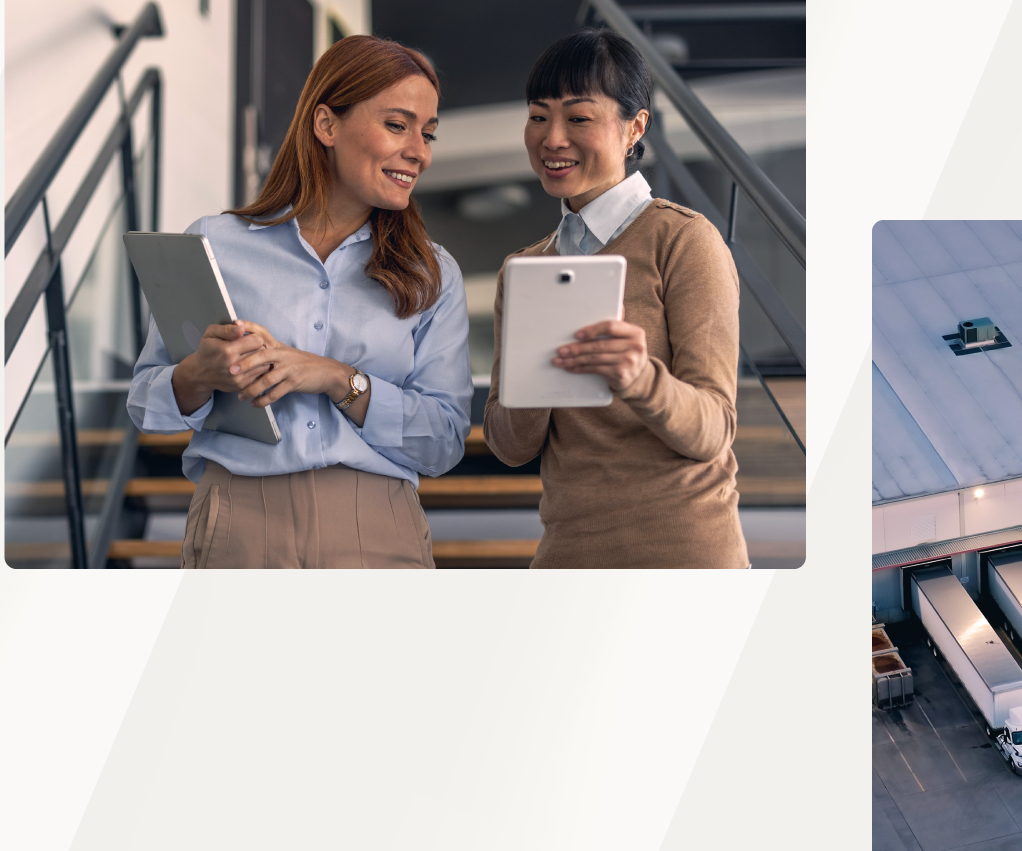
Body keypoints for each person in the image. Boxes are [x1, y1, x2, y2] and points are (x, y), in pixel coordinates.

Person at [127, 36, 471, 568]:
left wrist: (339, 378)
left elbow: (445, 441)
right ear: (326, 124)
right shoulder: (215, 244)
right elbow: (146, 403)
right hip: (238, 520)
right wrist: (200, 372)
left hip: (375, 527)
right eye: (398, 125)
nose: (419, 152)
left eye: (427, 134)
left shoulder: (433, 273)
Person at [484, 28, 749, 568]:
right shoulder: (525, 269)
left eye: (578, 118)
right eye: (538, 116)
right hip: (568, 559)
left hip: (687, 561)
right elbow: (510, 445)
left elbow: (713, 430)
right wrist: (536, 372)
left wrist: (640, 378)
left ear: (635, 127)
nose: (552, 138)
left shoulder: (685, 240)